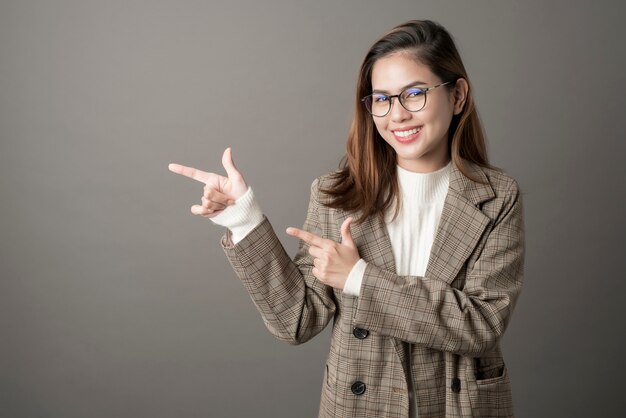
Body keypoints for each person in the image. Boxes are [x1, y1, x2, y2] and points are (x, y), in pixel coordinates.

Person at [169, 19, 524, 418]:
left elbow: (481, 324)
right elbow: (297, 321)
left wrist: (358, 278)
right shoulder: (336, 195)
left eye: (415, 94)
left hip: (456, 404)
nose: (398, 115)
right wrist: (243, 221)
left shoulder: (496, 197)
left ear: (457, 95)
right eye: (381, 99)